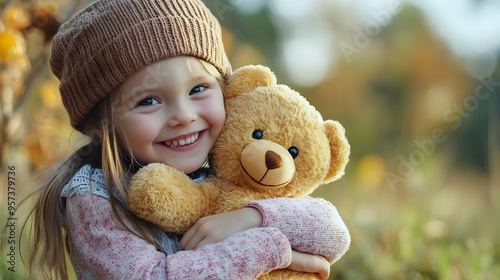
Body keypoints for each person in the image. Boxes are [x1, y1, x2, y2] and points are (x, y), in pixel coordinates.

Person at [26, 0, 351, 279]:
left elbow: (332, 230)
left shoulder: (225, 172)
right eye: (148, 101)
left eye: (198, 89)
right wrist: (274, 248)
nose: (183, 115)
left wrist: (252, 218)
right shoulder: (95, 200)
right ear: (101, 125)